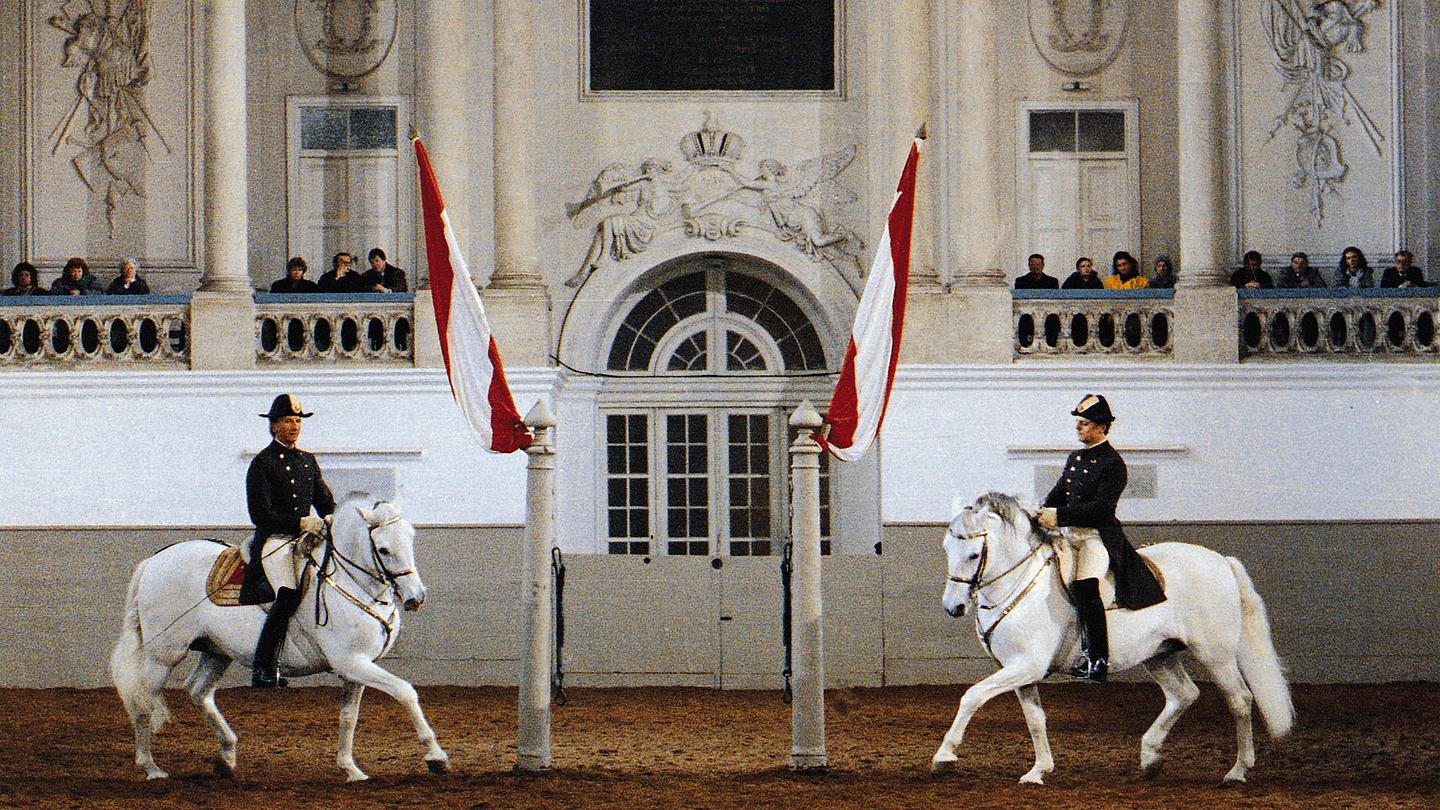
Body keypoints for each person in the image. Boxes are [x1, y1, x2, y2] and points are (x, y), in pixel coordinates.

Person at [1036, 395, 1165, 682]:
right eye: (1078, 423)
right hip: (1069, 537)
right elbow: (1059, 493)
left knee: (1084, 587)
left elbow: (1101, 509)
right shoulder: (1075, 458)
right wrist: (1042, 509)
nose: (1078, 428)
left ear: (1102, 427)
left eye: (1084, 423)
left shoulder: (1113, 463)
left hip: (1096, 538)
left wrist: (1059, 517)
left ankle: (1097, 658)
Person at [243, 395, 336, 688]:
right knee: (288, 594)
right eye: (287, 421)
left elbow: (324, 500)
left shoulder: (307, 460)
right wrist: (298, 522)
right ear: (274, 427)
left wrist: (333, 517)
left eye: (297, 421)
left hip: (304, 539)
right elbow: (260, 513)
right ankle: (262, 667)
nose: (294, 426)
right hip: (275, 539)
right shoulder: (262, 463)